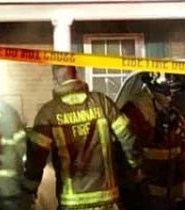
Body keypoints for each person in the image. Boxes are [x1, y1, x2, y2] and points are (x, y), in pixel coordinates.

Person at [23, 66, 139, 210]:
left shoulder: (48, 112)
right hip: (107, 199)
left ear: (55, 79)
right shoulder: (102, 102)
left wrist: (29, 188)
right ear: (76, 74)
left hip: (72, 202)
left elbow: (37, 156)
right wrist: (135, 165)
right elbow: (127, 136)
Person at [118, 72, 185, 210]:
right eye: (167, 93)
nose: (171, 98)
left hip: (170, 187)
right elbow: (127, 147)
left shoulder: (169, 109)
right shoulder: (136, 109)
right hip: (149, 189)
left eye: (174, 93)